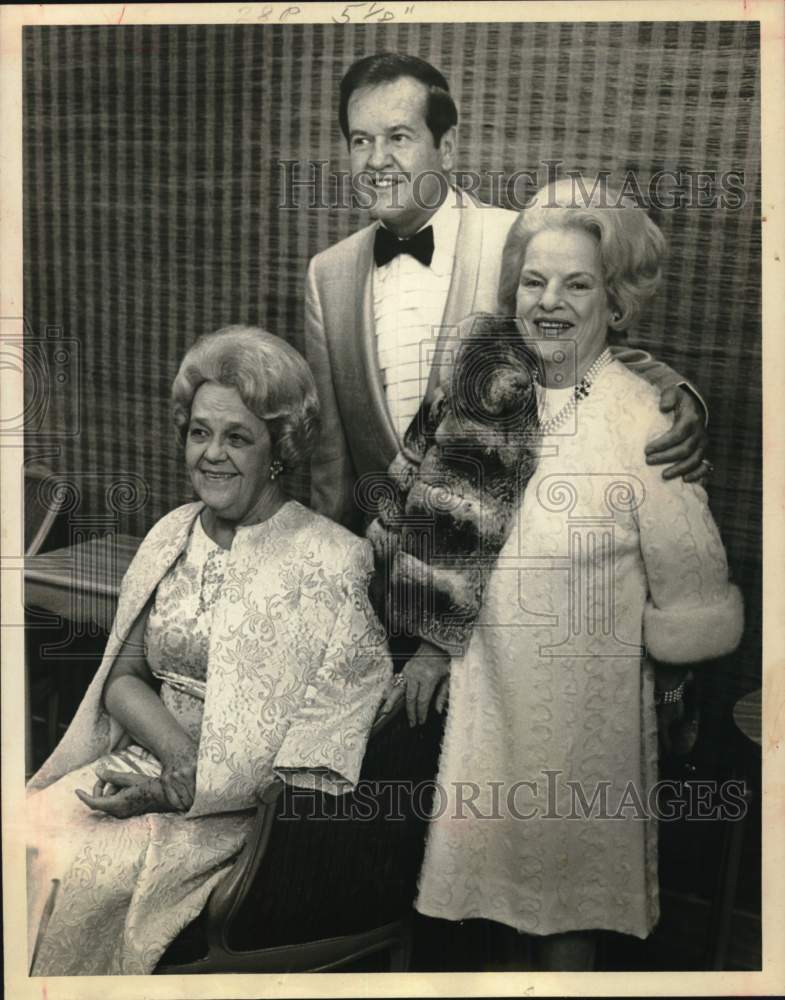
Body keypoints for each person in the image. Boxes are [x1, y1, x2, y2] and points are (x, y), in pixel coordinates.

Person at [404, 180, 743, 970]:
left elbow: (689, 591)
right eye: (534, 280)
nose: (549, 302)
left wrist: (671, 695)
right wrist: (429, 645)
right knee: (475, 910)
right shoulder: (480, 391)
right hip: (485, 695)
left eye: (577, 284)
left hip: (586, 716)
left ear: (615, 302)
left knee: (566, 917)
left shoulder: (646, 419)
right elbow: (433, 526)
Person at [25, 326, 391, 976]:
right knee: (20, 839)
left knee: (73, 871)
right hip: (147, 759)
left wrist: (186, 786)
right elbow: (123, 677)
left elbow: (324, 742)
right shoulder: (171, 533)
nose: (211, 456)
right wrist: (175, 759)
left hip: (240, 817)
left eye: (237, 437)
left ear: (278, 448)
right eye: (199, 432)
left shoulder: (331, 559)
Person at [305, 52, 710, 540]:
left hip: (498, 553)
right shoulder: (326, 274)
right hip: (377, 562)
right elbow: (331, 459)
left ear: (447, 147)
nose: (376, 160)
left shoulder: (518, 243)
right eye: (360, 141)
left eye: (398, 137)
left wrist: (680, 395)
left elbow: (594, 348)